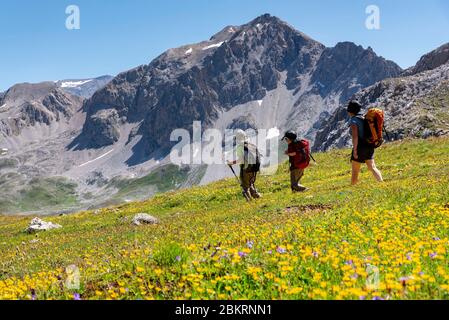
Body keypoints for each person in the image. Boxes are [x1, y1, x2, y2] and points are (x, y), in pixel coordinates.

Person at [347, 101, 384, 185]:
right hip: (370, 145)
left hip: (360, 147)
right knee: (372, 167)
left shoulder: (353, 121)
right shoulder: (365, 118)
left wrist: (355, 150)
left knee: (355, 170)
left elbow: (355, 137)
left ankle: (353, 188)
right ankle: (381, 183)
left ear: (350, 111)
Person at [227, 129, 261, 201]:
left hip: (245, 169)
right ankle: (256, 195)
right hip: (253, 169)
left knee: (245, 186)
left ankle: (249, 200)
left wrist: (231, 163)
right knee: (251, 183)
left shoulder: (240, 147)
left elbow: (241, 160)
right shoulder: (250, 145)